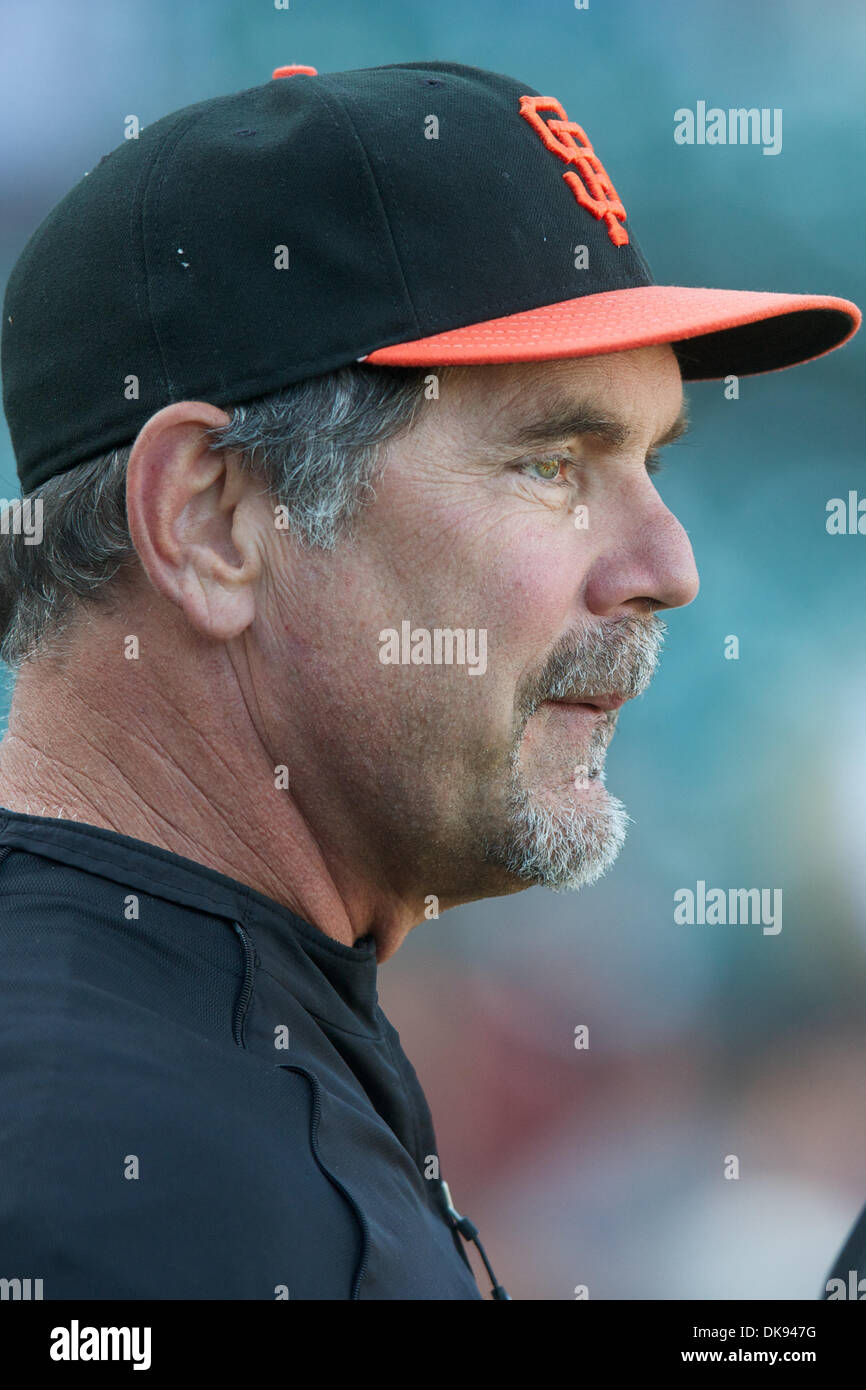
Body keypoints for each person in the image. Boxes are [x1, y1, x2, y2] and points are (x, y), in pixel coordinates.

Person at [0, 59, 859, 1301]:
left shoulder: (179, 1041)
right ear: (212, 520)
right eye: (551, 463)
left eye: (652, 461)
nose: (666, 565)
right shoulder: (120, 1175)